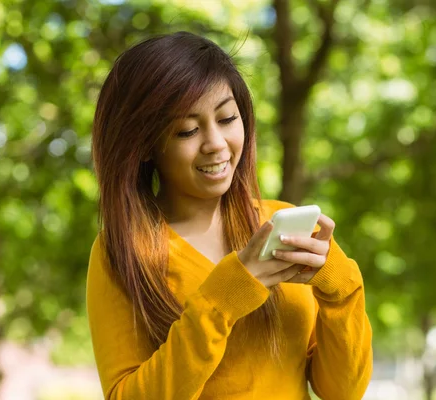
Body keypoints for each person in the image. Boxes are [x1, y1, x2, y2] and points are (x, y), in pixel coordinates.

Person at [86, 31, 373, 400]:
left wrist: (339, 284)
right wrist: (223, 300)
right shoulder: (123, 251)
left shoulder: (279, 223)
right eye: (187, 130)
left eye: (226, 118)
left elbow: (343, 392)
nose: (216, 144)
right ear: (143, 144)